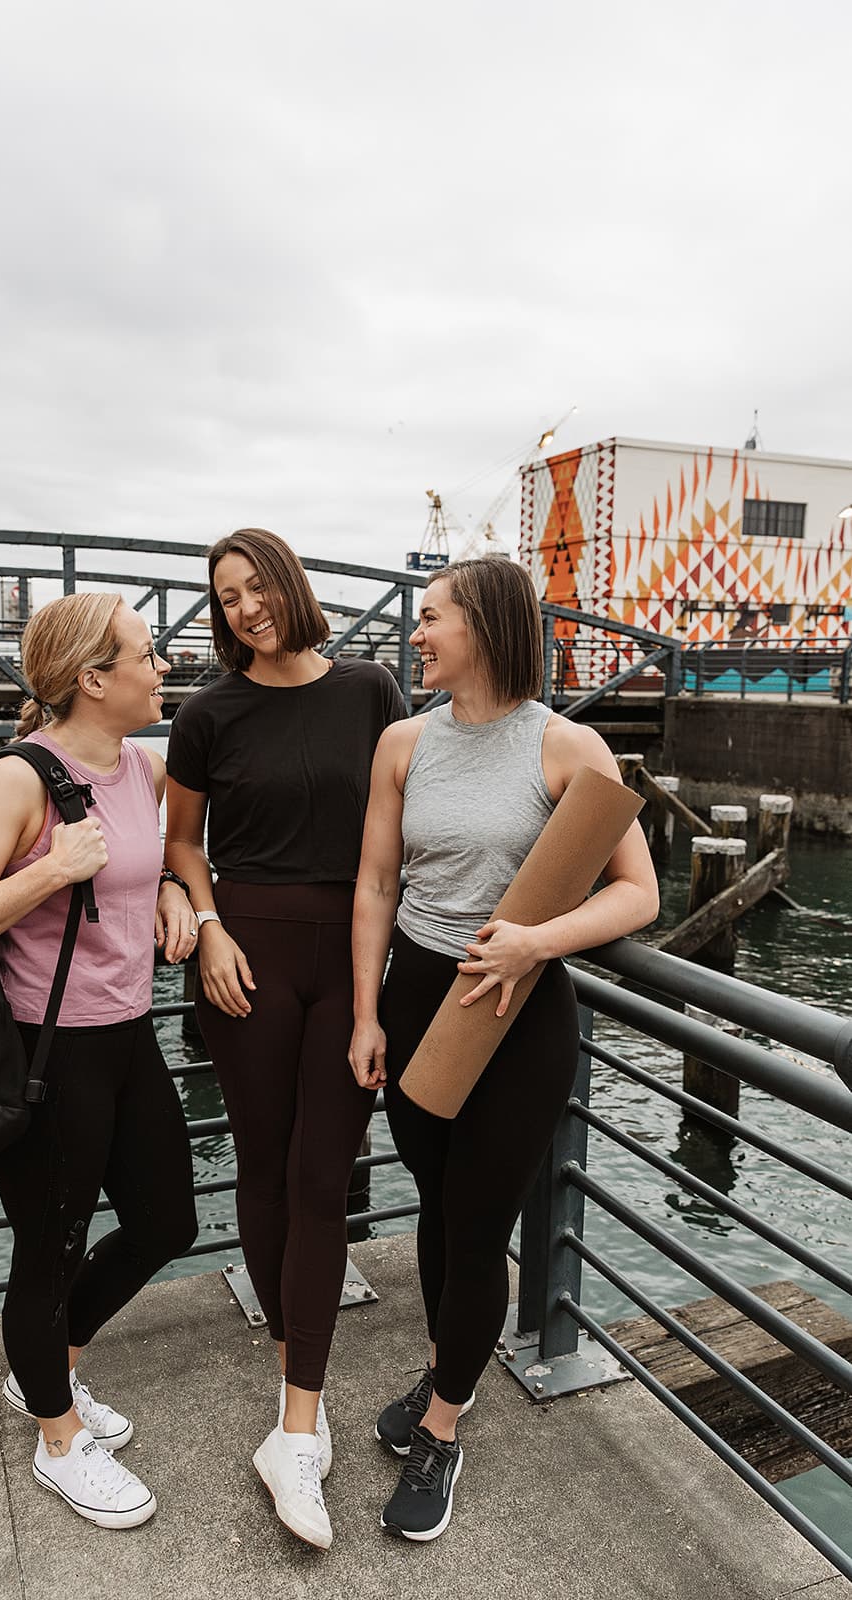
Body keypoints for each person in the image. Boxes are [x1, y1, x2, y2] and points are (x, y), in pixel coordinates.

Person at [349, 557, 659, 1542]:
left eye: (430, 617)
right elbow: (372, 887)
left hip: (519, 1012)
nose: (416, 634)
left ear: (481, 625)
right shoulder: (401, 741)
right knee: (436, 1210)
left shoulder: (566, 748)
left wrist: (536, 937)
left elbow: (635, 891)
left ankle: (444, 1423)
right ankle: (452, 1366)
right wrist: (365, 1015)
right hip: (415, 1005)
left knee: (477, 1225)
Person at [0, 592, 199, 1531]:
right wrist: (46, 871)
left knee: (167, 1222)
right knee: (51, 1244)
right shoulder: (17, 779)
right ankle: (58, 1436)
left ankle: (50, 1366)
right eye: (148, 656)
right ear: (94, 678)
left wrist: (170, 896)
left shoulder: (142, 768)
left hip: (125, 1032)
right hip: (45, 1050)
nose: (163, 669)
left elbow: (144, 862)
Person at [163, 527, 405, 1550]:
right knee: (262, 1170)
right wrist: (205, 925)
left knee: (321, 1175)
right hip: (242, 957)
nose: (244, 607)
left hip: (349, 955)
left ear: (289, 583)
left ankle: (294, 1426)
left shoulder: (370, 690)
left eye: (256, 584)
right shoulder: (208, 712)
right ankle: (295, 1400)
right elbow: (181, 841)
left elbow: (405, 828)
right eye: (225, 596)